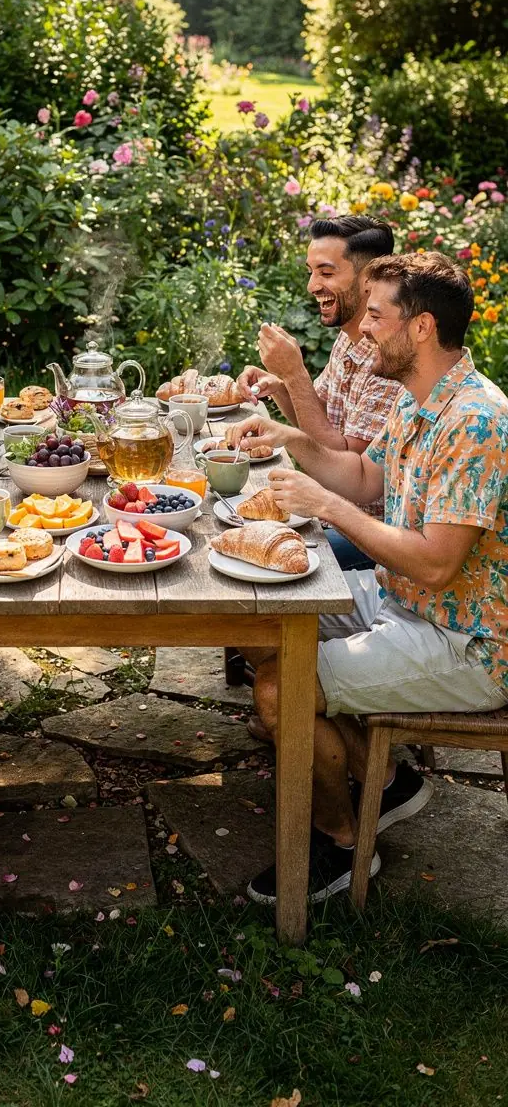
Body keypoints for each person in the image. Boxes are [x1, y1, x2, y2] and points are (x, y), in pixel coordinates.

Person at [227, 252, 508, 905]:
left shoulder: (477, 421)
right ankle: (383, 781)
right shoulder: (420, 399)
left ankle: (342, 840)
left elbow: (436, 562)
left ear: (422, 327)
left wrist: (326, 508)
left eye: (377, 316)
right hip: (401, 600)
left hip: (465, 641)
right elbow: (360, 476)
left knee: (279, 689)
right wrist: (289, 437)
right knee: (253, 618)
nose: (363, 330)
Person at [231, 215, 402, 571]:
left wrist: (295, 374)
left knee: (252, 552)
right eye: (311, 272)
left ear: (369, 279)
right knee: (233, 521)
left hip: (366, 533)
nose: (312, 285)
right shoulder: (349, 338)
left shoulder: (389, 360)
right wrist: (279, 384)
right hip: (324, 511)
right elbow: (316, 414)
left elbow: (342, 464)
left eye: (326, 273)